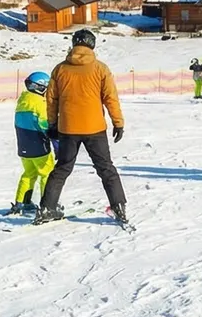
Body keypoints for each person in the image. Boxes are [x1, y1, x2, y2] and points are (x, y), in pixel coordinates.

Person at [34, 29, 128, 226]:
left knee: (62, 168)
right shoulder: (100, 69)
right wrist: (118, 122)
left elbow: (51, 100)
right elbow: (110, 98)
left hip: (68, 128)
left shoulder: (60, 69)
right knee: (106, 168)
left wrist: (52, 124)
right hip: (95, 128)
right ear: (92, 44)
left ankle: (47, 208)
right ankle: (119, 207)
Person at [8, 71, 53, 215]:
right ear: (40, 87)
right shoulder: (39, 103)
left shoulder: (22, 101)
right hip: (38, 145)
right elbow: (44, 124)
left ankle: (21, 203)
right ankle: (48, 205)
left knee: (29, 173)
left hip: (23, 145)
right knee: (47, 173)